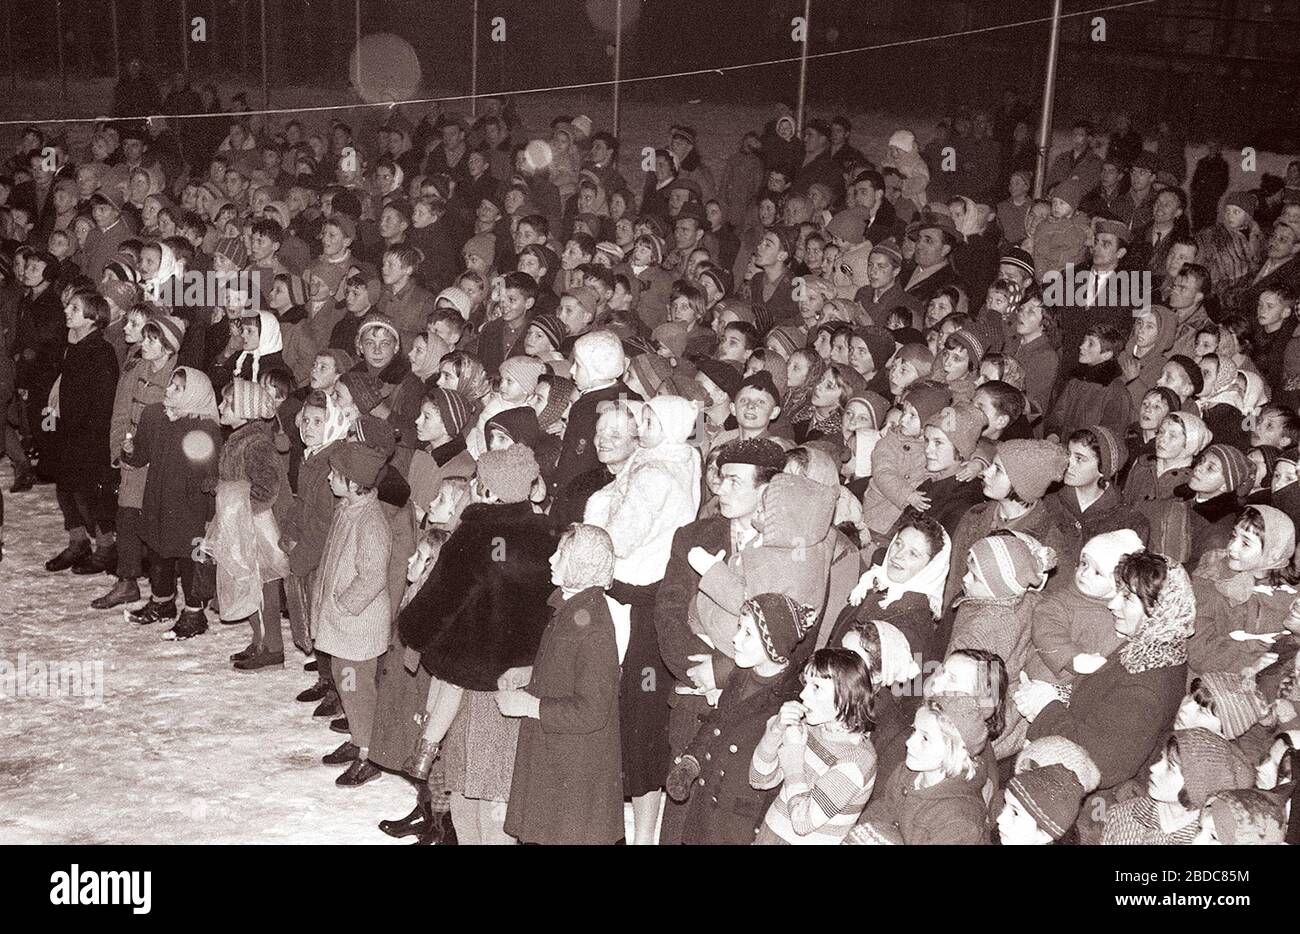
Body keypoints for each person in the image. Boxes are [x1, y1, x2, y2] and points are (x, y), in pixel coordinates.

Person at [1017, 550, 1193, 792]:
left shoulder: (1147, 687)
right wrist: (1058, 695)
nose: (1112, 604)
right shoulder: (1151, 648)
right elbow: (1102, 703)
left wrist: (1045, 709)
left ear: (1159, 610)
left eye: (1128, 598)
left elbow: (1099, 764)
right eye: (1118, 593)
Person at [500, 524, 624, 845]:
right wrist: (529, 673)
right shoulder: (571, 607)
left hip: (573, 769)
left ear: (583, 564)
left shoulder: (593, 626)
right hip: (557, 758)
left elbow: (593, 710)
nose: (552, 559)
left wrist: (530, 705)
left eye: (563, 554)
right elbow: (568, 668)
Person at [664, 592, 815, 845]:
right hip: (706, 809)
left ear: (773, 645)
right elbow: (715, 725)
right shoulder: (740, 676)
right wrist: (691, 762)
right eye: (738, 628)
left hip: (738, 825)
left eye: (747, 634)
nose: (735, 640)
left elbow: (780, 777)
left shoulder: (789, 701)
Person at [120, 366, 222, 640]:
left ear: (194, 394)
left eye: (178, 388)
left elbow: (211, 476)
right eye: (170, 385)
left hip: (191, 508)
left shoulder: (205, 429)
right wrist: (130, 452)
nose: (169, 390)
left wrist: (210, 516)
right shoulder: (156, 416)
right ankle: (162, 602)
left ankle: (193, 612)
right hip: (159, 500)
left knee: (191, 561)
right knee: (158, 552)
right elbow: (141, 455)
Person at [749, 648, 878, 844]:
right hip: (768, 836)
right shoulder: (812, 727)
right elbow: (759, 779)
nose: (803, 694)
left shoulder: (858, 759)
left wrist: (793, 755)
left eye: (816, 687)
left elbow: (803, 822)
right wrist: (775, 731)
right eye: (806, 684)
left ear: (845, 695)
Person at [45, 291, 120, 575]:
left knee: (90, 494)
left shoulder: (100, 351)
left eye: (75, 308)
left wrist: (89, 436)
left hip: (90, 437)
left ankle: (105, 547)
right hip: (68, 432)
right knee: (65, 488)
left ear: (92, 318)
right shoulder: (72, 346)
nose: (67, 311)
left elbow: (103, 401)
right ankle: (78, 542)